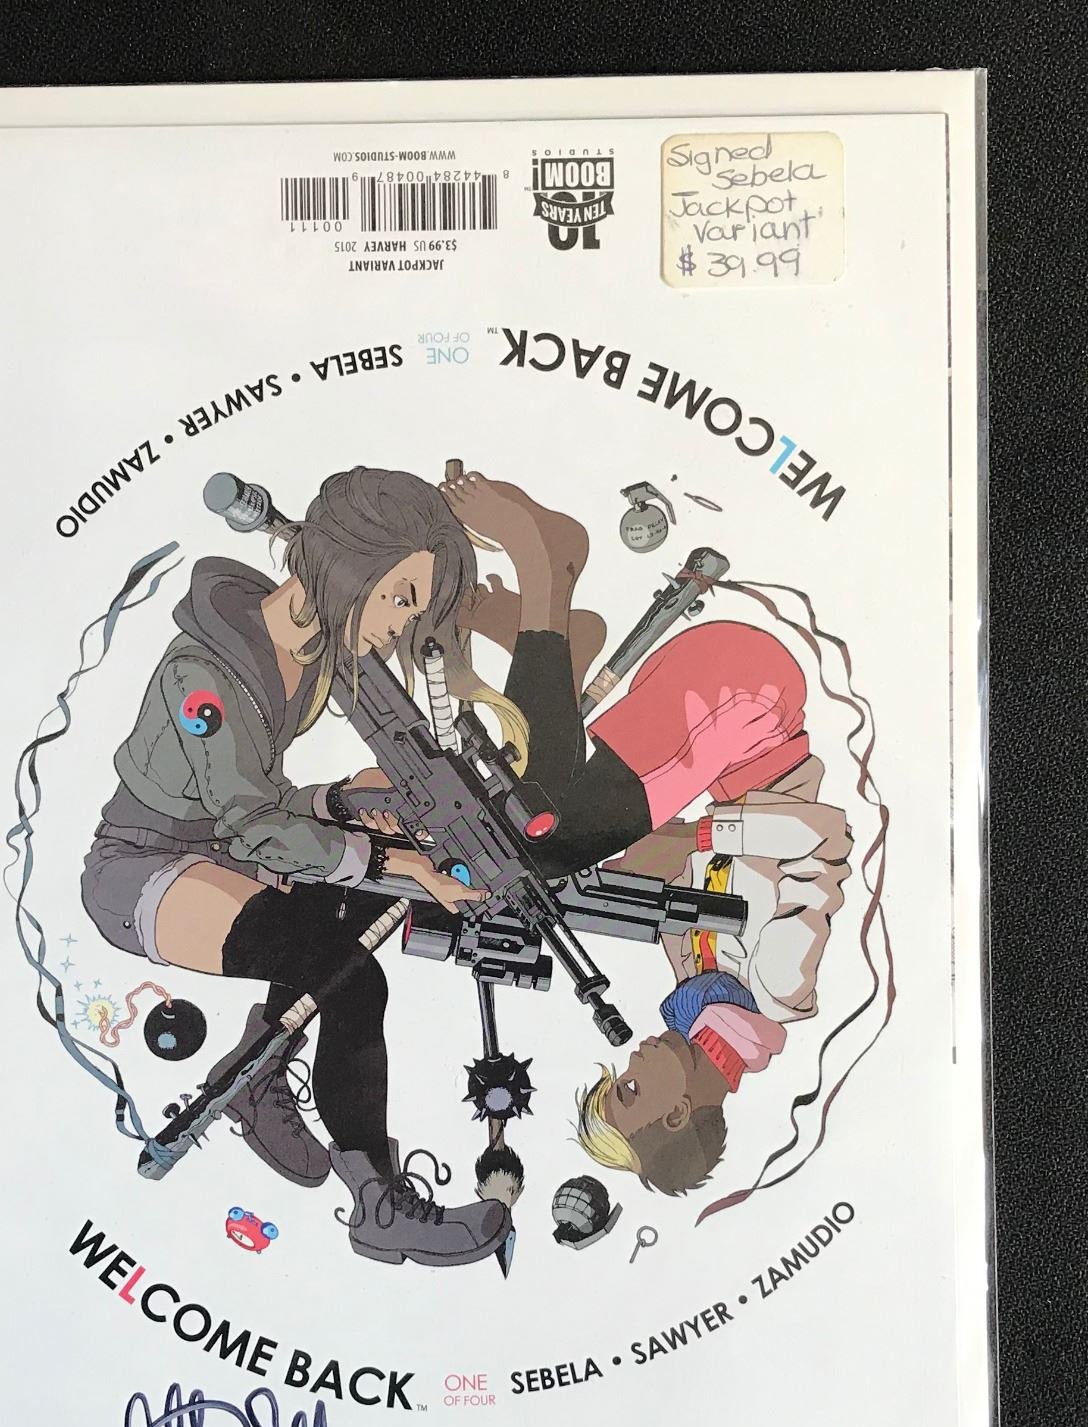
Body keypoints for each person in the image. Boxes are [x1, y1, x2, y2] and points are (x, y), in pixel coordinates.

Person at [81, 467, 523, 1270]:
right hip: (143, 870)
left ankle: (259, 1074)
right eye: (398, 599)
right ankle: (378, 1207)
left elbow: (265, 800)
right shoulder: (200, 675)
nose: (398, 626)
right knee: (349, 976)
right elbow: (250, 823)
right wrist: (394, 860)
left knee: (360, 908)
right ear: (349, 568)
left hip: (222, 850)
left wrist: (343, 801)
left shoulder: (314, 655)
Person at [571, 621, 854, 1196]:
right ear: (678, 1113)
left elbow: (666, 859)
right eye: (631, 1090)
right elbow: (826, 838)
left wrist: (631, 869)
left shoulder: (694, 980)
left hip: (718, 734)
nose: (632, 1061)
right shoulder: (777, 987)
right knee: (567, 824)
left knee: (571, 823)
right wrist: (697, 837)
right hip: (753, 707)